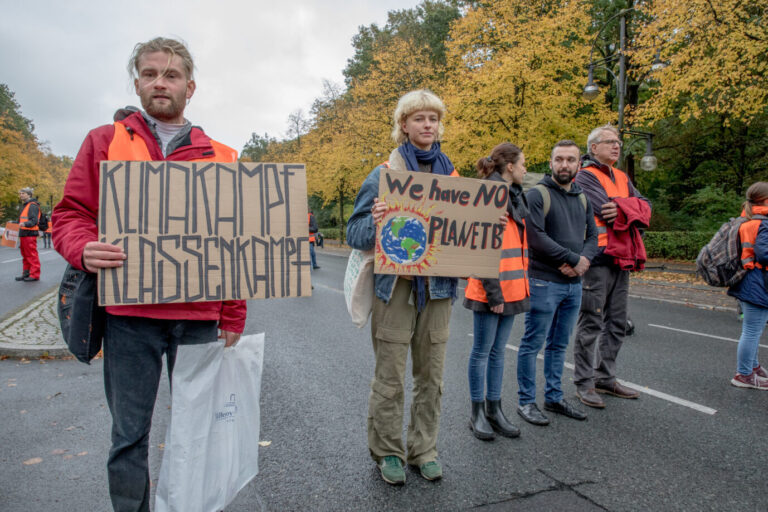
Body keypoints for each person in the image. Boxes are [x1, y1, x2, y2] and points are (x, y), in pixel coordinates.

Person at [51, 37, 246, 512]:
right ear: (137, 82)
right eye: (150, 73)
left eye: (171, 74)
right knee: (128, 436)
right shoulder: (105, 140)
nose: (160, 82)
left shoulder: (222, 155)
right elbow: (70, 213)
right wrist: (82, 249)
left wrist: (233, 315)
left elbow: (240, 242)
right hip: (128, 316)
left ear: (190, 87)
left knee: (198, 430)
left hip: (199, 318)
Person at [347, 89, 459, 485]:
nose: (427, 125)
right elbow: (354, 233)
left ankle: (423, 448)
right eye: (418, 119)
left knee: (432, 377)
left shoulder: (453, 178)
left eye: (433, 118)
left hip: (439, 289)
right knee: (390, 376)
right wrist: (375, 221)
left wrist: (484, 235)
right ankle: (388, 452)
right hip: (395, 289)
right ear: (404, 126)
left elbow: (464, 235)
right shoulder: (383, 175)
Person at [516, 140, 597, 426]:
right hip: (543, 282)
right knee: (532, 344)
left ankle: (553, 396)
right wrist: (574, 259)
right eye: (559, 159)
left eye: (571, 160)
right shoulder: (537, 194)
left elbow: (593, 237)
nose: (565, 165)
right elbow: (535, 237)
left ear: (579, 164)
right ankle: (526, 401)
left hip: (574, 284)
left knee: (559, 345)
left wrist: (582, 261)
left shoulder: (582, 196)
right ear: (550, 163)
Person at [572, 124, 651, 408]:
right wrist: (629, 208)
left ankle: (605, 378)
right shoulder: (585, 175)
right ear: (594, 148)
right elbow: (601, 207)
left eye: (618, 142)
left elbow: (647, 207)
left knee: (617, 322)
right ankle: (584, 382)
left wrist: (623, 208)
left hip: (621, 258)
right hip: (597, 259)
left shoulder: (622, 176)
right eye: (609, 142)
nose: (617, 146)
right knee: (591, 321)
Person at [463, 142, 529, 441]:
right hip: (491, 289)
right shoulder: (489, 195)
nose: (526, 169)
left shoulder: (512, 195)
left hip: (512, 287)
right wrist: (494, 294)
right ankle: (477, 413)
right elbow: (480, 247)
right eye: (524, 164)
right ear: (511, 166)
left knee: (498, 353)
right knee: (482, 352)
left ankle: (494, 409)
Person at [727, 182, 768, 389]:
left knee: (752, 328)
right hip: (758, 281)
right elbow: (763, 253)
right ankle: (743, 374)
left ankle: (752, 367)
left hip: (747, 279)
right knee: (753, 330)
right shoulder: (764, 223)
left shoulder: (747, 220)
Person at [15, 187, 40, 282]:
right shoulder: (25, 206)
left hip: (29, 233)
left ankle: (34, 275)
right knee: (25, 255)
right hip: (24, 233)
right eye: (20, 193)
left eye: (23, 193)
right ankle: (26, 273)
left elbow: (34, 221)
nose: (21, 195)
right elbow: (22, 220)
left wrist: (24, 224)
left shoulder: (32, 205)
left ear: (29, 195)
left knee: (31, 255)